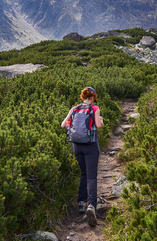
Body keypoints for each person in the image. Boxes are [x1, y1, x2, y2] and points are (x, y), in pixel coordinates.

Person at [61, 86, 103, 227]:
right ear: (93, 97)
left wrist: (72, 128)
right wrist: (101, 121)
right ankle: (92, 205)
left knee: (84, 174)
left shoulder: (74, 109)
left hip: (76, 146)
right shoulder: (95, 108)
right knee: (91, 176)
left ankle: (81, 203)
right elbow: (98, 125)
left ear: (83, 96)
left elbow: (63, 125)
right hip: (90, 146)